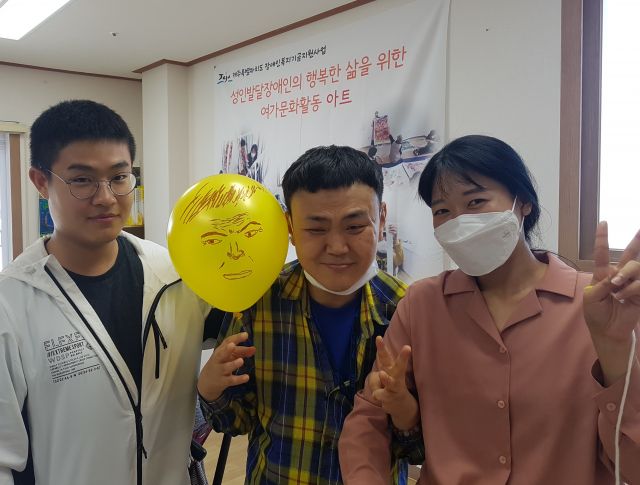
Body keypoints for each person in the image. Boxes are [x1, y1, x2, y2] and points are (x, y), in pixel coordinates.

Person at [339, 135, 640, 484]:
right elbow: (367, 421)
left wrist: (616, 353)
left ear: (523, 202)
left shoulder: (599, 308)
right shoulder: (422, 305)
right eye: (442, 211)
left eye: (476, 202)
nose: (459, 222)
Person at [0, 100, 215, 485]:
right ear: (40, 181)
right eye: (82, 180)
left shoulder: (175, 275)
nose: (106, 197)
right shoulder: (11, 304)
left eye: (119, 177)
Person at [197, 145, 417, 484]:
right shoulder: (259, 301)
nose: (337, 247)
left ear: (382, 217)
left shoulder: (408, 310)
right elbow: (237, 420)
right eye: (316, 229)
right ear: (289, 226)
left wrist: (403, 409)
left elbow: (416, 446)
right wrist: (211, 389)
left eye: (355, 226)